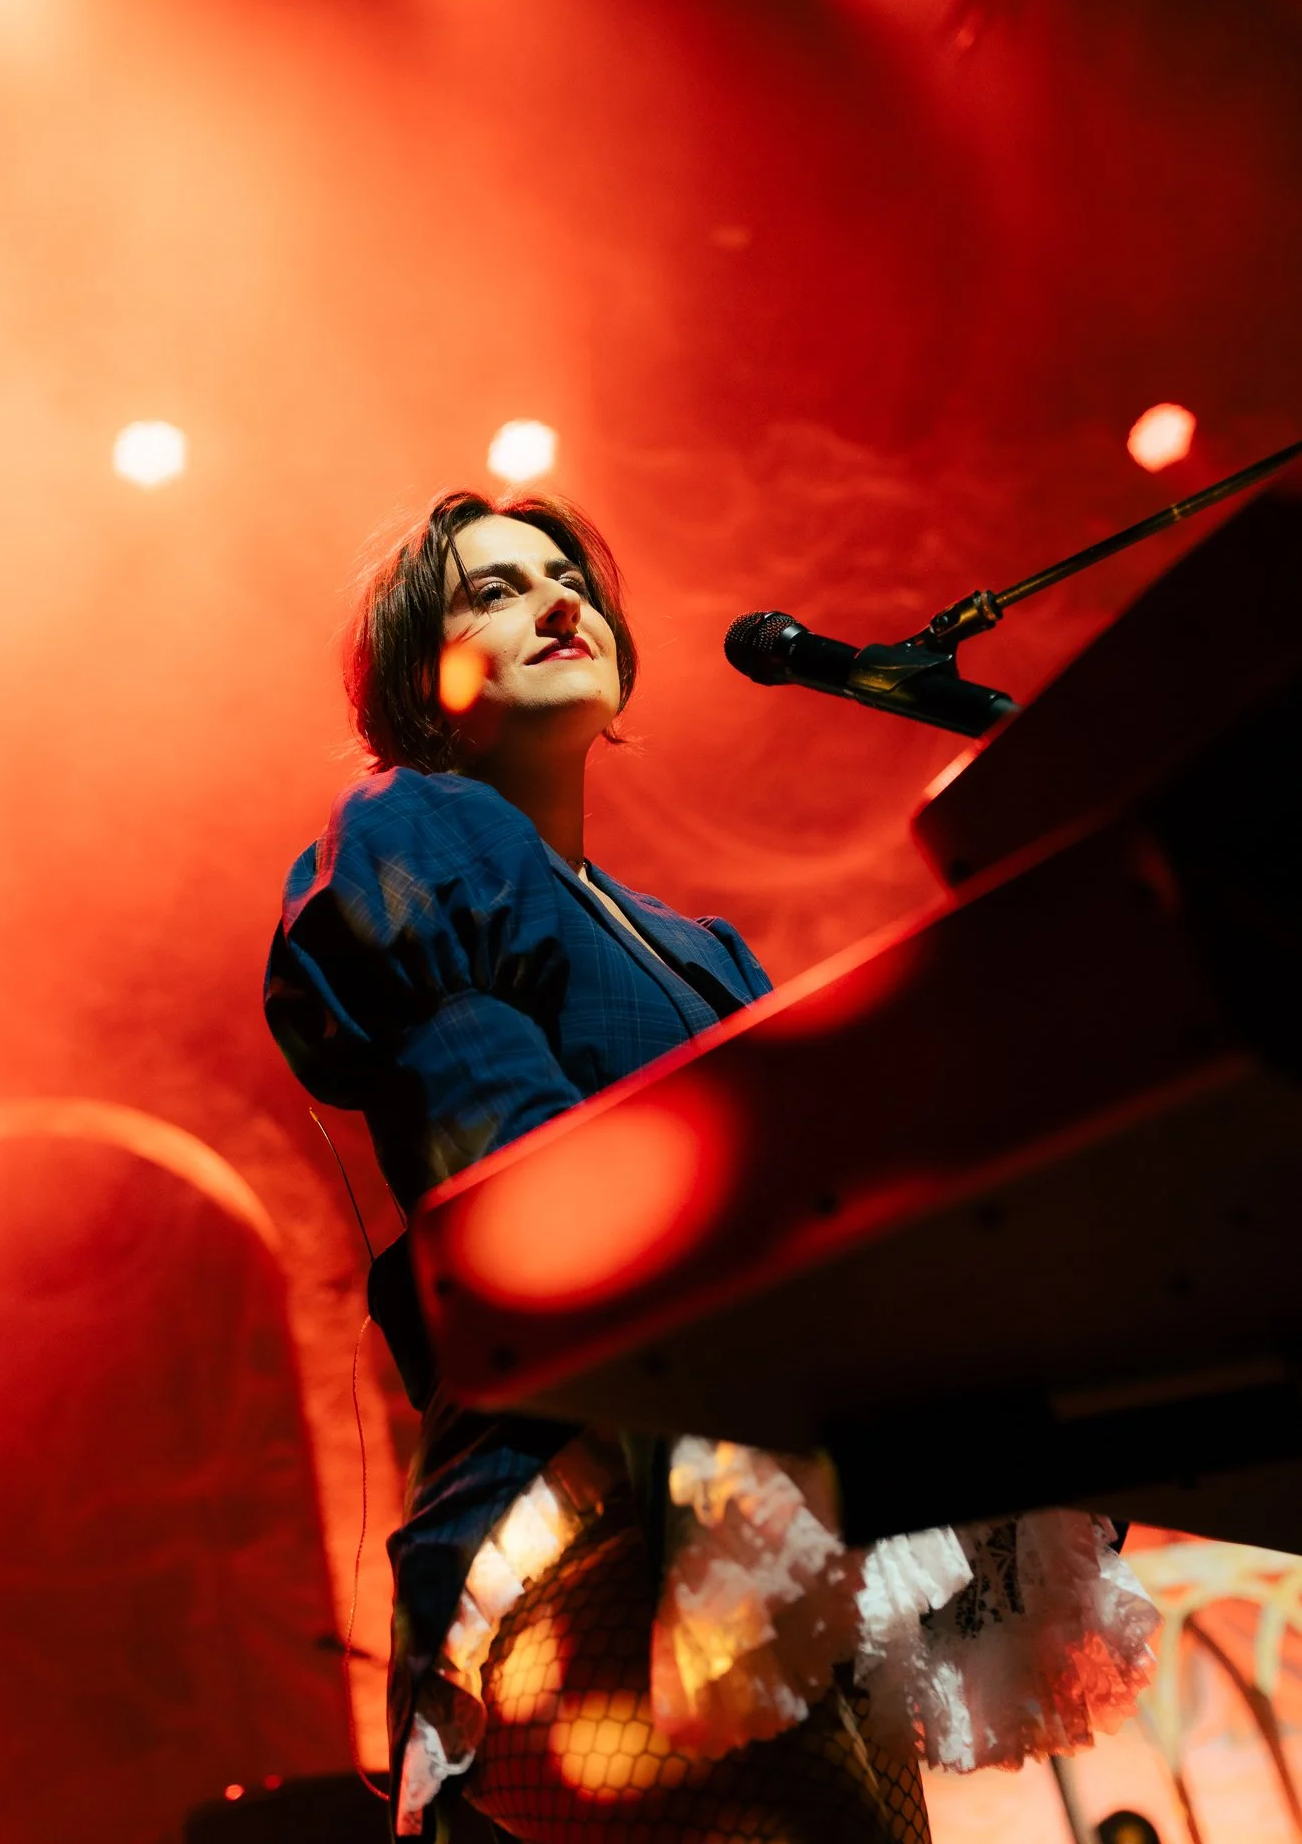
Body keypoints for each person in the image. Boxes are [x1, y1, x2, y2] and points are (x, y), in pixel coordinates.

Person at [264, 491, 1158, 1844]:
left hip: (775, 1524)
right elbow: (525, 1188)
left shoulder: (705, 952)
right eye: (496, 591)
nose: (560, 602)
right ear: (417, 683)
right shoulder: (416, 827)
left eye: (570, 578)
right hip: (595, 1519)